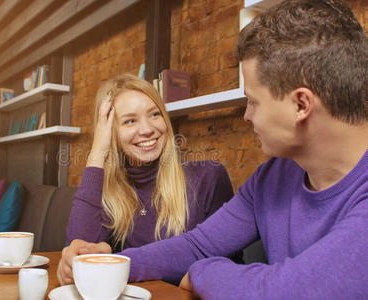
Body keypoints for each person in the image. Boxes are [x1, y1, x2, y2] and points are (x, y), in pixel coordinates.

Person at [58, 0, 368, 298]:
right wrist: (109, 262)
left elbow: (277, 292)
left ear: (301, 104)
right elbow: (198, 245)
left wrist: (203, 272)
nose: (246, 116)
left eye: (253, 101)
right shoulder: (272, 176)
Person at [65, 74, 236, 253]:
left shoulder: (208, 177)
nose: (147, 130)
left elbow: (228, 261)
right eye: (130, 121)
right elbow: (80, 254)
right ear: (109, 132)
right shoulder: (108, 193)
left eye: (155, 114)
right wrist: (98, 152)